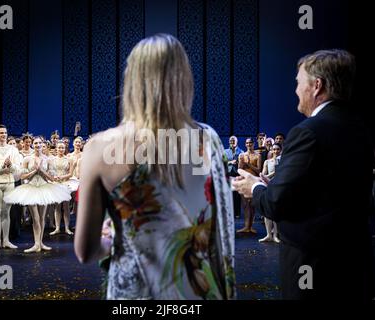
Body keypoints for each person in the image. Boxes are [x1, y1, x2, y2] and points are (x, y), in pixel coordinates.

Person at [74, 34, 235, 299]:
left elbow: (85, 251)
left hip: (136, 294)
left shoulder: (99, 148)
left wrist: (113, 239)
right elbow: (221, 231)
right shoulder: (208, 141)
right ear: (184, 80)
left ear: (132, 82)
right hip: (197, 291)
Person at [232, 49, 375, 299]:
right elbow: (326, 194)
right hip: (355, 270)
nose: (295, 90)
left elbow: (276, 204)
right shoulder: (361, 129)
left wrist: (255, 188)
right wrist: (274, 185)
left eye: (298, 82)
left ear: (316, 86)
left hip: (316, 272)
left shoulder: (308, 132)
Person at [4, 136, 71, 253]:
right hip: (31, 188)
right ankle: (36, 244)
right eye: (35, 143)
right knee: (35, 218)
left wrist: (41, 170)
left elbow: (52, 178)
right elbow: (22, 176)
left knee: (42, 218)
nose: (37, 145)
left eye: (40, 143)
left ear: (42, 144)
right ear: (32, 145)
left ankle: (40, 243)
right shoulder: (27, 159)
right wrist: (35, 171)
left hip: (44, 188)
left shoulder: (48, 159)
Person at [258, 143, 282, 243]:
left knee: (276, 212)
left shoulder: (283, 161)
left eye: (277, 149)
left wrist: (273, 173)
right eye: (274, 149)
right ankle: (268, 235)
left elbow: (282, 174)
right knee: (267, 212)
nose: (275, 151)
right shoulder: (267, 162)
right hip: (268, 187)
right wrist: (266, 175)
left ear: (280, 150)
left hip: (279, 187)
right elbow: (263, 174)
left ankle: (275, 235)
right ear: (271, 150)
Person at [236, 137, 261, 233]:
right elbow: (239, 170)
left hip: (254, 181)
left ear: (253, 144)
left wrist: (248, 164)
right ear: (245, 144)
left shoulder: (257, 155)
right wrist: (242, 164)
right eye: (247, 143)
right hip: (244, 181)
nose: (249, 144)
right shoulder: (242, 155)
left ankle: (251, 227)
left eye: (250, 143)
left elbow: (258, 170)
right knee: (245, 205)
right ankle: (246, 226)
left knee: (252, 204)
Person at [224, 135, 243, 219]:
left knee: (237, 195)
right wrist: (230, 162)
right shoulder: (225, 151)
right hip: (228, 174)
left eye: (233, 140)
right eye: (230, 140)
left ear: (237, 141)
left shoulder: (241, 151)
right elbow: (222, 162)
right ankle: (228, 212)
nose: (232, 141)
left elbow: (244, 163)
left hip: (237, 174)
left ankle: (237, 213)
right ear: (228, 141)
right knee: (228, 194)